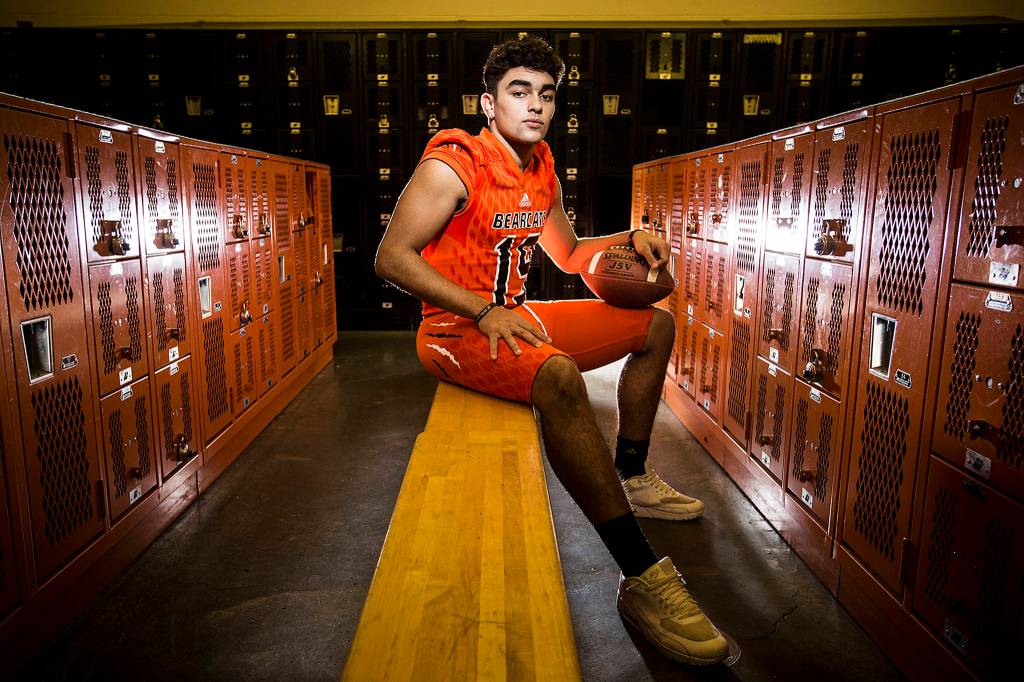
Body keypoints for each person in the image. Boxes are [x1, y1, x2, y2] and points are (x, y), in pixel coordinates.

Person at [374, 35, 729, 666]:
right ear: (489, 104)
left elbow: (567, 254)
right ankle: (642, 576)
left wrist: (633, 236)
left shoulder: (539, 171)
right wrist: (481, 311)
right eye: (519, 92)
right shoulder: (454, 164)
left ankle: (633, 472)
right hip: (453, 331)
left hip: (514, 316)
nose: (535, 105)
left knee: (656, 327)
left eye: (545, 94)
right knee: (560, 377)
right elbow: (391, 258)